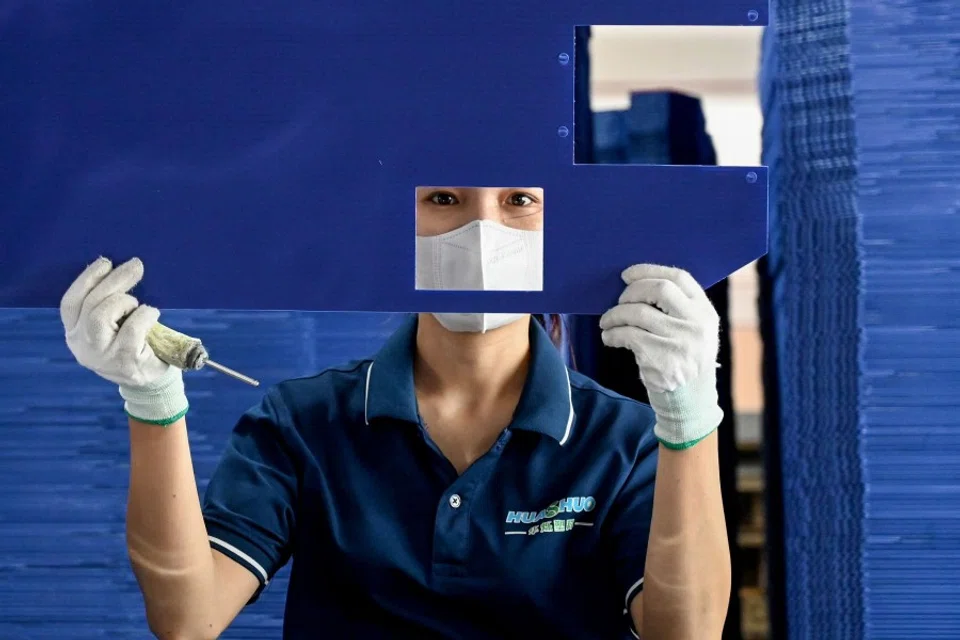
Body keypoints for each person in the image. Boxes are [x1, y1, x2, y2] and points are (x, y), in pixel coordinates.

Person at [60, 186, 730, 639]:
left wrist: (689, 414)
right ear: (399, 221)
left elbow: (688, 630)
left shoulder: (625, 442)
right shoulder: (303, 423)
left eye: (519, 201)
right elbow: (186, 616)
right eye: (443, 198)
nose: (481, 231)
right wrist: (151, 400)